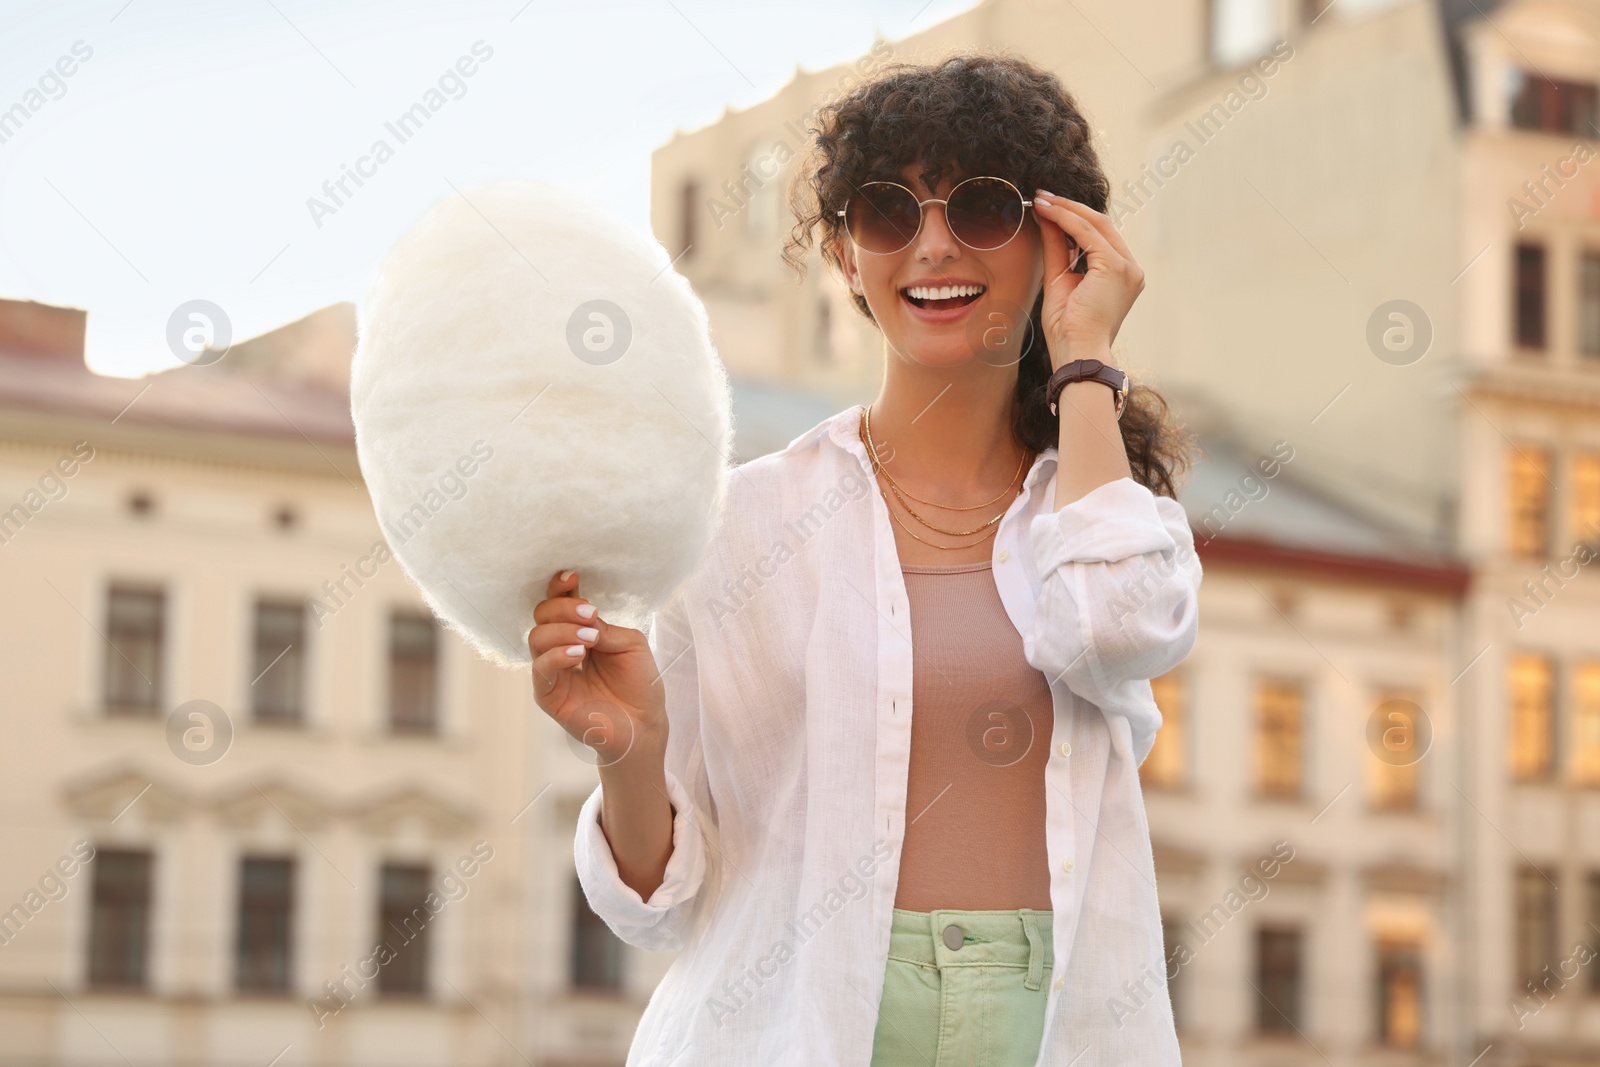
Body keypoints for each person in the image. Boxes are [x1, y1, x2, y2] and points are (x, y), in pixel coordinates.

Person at [531, 50, 1201, 1066]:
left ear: (1057, 243)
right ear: (848, 256)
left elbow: (1113, 629)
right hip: (791, 1022)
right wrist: (628, 744)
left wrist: (1085, 365)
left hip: (1053, 1023)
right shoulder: (735, 524)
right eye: (889, 214)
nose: (933, 245)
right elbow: (657, 906)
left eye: (979, 208)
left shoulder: (1101, 507)